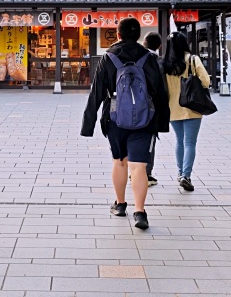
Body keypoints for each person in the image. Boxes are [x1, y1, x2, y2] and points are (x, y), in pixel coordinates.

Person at [82, 18, 170, 230]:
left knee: (119, 161)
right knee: (139, 165)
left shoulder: (108, 57)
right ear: (139, 35)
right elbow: (160, 93)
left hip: (115, 118)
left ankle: (120, 204)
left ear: (118, 34)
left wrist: (88, 124)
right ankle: (140, 212)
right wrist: (162, 123)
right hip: (145, 119)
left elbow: (96, 92)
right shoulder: (149, 57)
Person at [163, 31, 210, 192]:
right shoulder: (192, 59)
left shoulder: (165, 63)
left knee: (179, 140)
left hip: (172, 107)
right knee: (190, 142)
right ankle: (186, 175)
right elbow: (206, 81)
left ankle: (179, 173)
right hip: (192, 106)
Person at [143, 32, 163, 187]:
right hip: (151, 108)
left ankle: (136, 171)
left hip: (133, 107)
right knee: (149, 142)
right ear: (159, 46)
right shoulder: (156, 61)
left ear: (144, 42)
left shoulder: (137, 57)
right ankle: (146, 174)